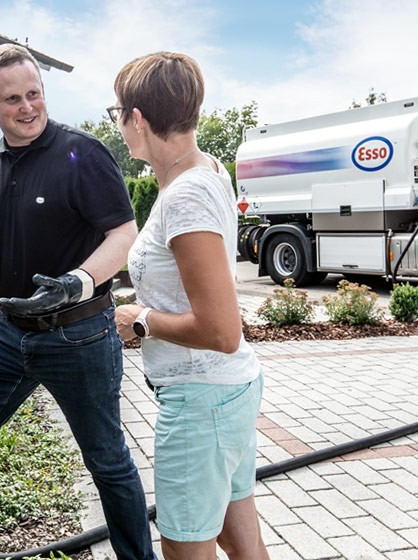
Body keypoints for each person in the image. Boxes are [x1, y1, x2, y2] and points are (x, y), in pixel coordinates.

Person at [0, 44, 155, 560]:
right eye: (12, 99)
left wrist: (77, 281)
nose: (27, 107)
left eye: (34, 94)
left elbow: (124, 234)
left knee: (106, 461)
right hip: (6, 332)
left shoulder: (82, 154)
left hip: (78, 331)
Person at [110, 52, 271, 560]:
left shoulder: (185, 196)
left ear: (138, 118)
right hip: (226, 392)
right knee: (241, 543)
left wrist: (141, 321)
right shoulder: (206, 171)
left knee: (184, 549)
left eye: (116, 112)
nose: (117, 124)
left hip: (202, 400)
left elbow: (222, 329)